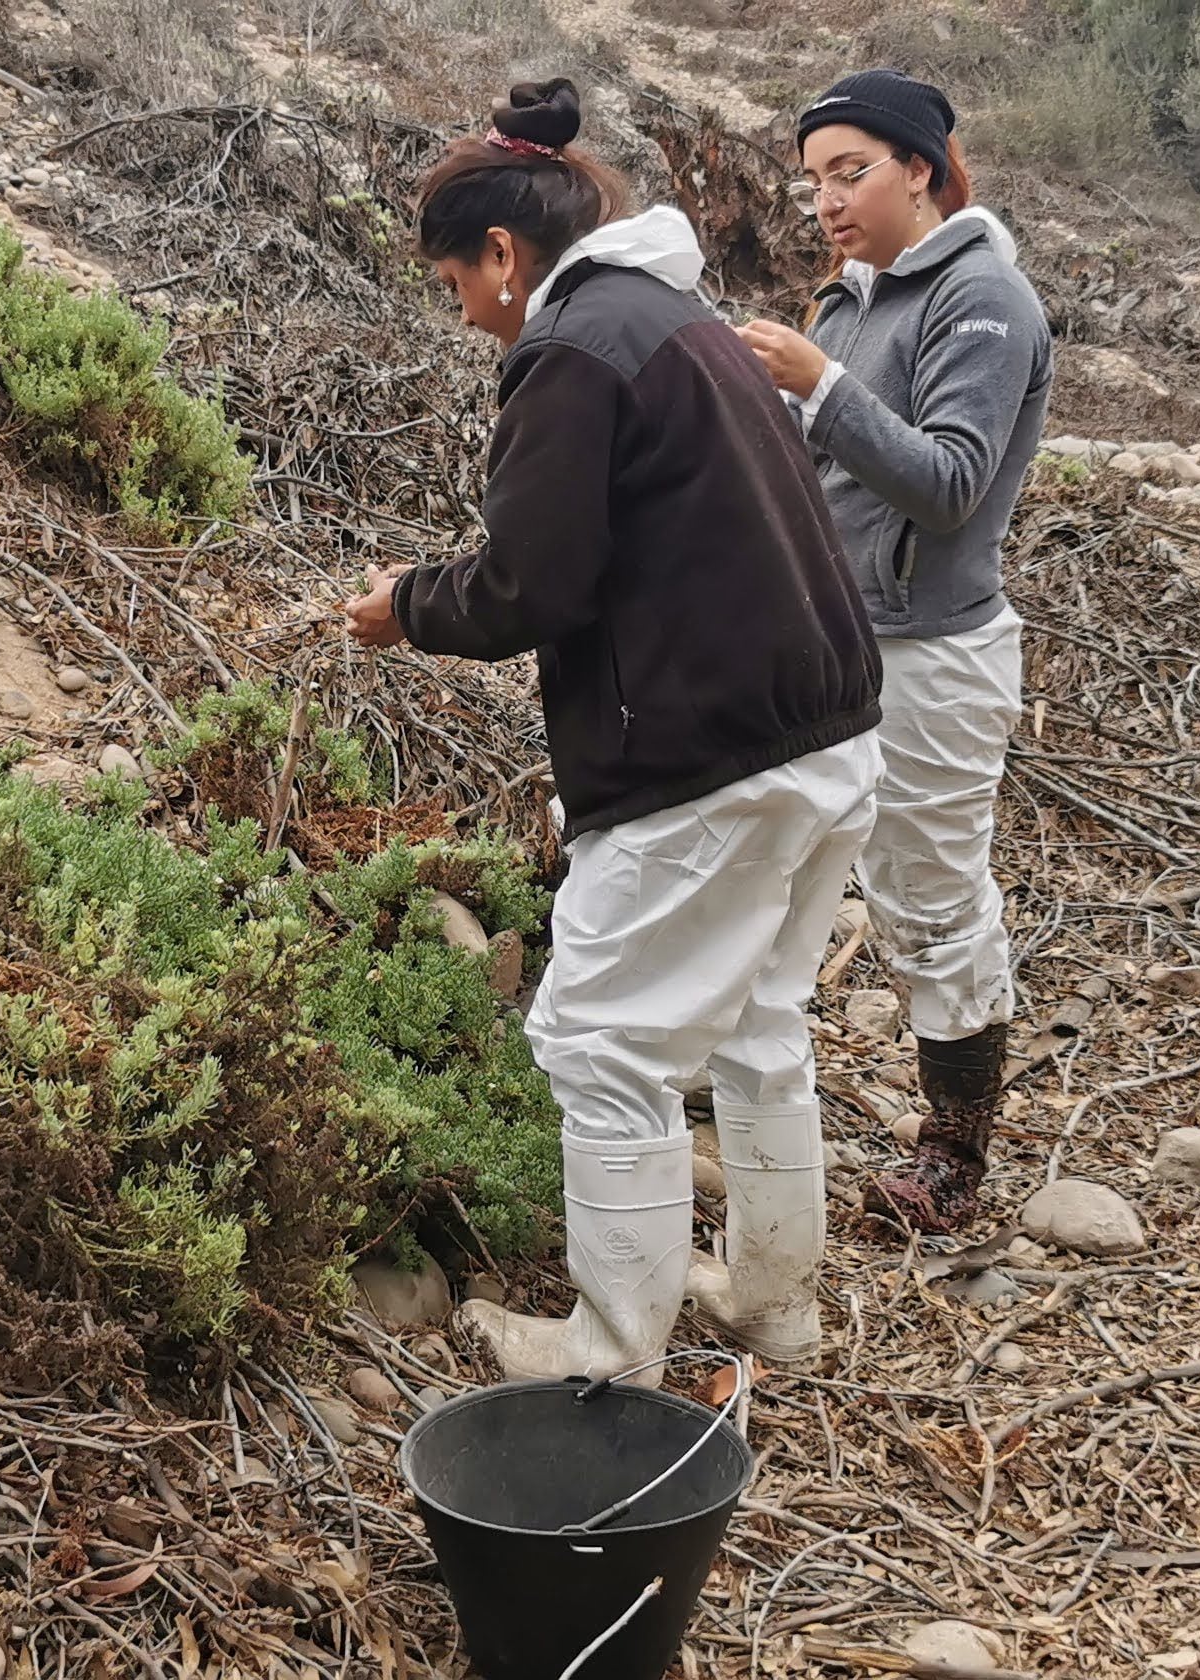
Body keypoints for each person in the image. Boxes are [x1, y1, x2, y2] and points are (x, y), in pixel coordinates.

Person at [343, 81, 882, 1376]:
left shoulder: (573, 348)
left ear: (506, 254)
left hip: (708, 757)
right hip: (825, 727)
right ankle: (772, 1302)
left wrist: (404, 607)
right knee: (757, 1019)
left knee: (600, 1041)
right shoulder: (674, 319)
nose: (463, 311)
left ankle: (612, 1348)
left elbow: (537, 580)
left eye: (455, 282)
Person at [734, 70, 1051, 1233]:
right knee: (766, 861)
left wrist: (818, 387)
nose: (825, 200)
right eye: (813, 178)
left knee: (929, 899)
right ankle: (731, 1100)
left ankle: (956, 1156)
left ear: (921, 168)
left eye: (851, 171)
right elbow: (812, 473)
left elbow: (953, 485)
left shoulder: (987, 299)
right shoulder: (848, 302)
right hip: (829, 638)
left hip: (937, 659)